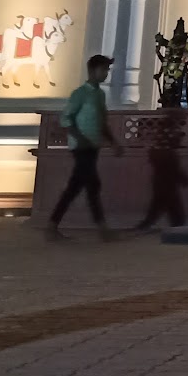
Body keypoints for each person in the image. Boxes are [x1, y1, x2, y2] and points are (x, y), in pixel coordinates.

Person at [47, 54, 120, 241]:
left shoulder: (99, 95)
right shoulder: (80, 94)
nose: (106, 73)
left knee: (76, 187)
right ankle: (103, 229)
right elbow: (66, 119)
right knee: (93, 185)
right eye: (104, 69)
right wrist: (80, 138)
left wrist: (113, 142)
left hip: (93, 146)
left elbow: (102, 122)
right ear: (93, 70)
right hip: (81, 147)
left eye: (107, 70)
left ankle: (52, 225)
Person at [133, 108, 188, 233]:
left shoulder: (161, 132)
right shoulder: (172, 131)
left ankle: (151, 223)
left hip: (162, 170)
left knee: (162, 200)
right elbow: (171, 151)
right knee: (168, 199)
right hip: (166, 168)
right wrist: (181, 176)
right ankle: (178, 224)